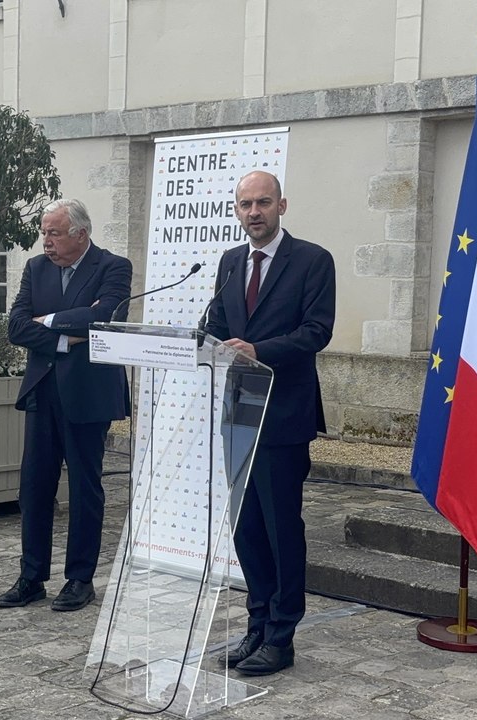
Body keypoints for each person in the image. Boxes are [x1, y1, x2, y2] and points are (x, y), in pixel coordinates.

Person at [205, 171, 335, 675]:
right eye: (244, 204)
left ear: (282, 205)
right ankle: (256, 623)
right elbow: (218, 327)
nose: (253, 212)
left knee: (281, 528)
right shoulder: (230, 262)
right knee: (246, 529)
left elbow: (316, 331)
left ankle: (282, 636)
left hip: (282, 416)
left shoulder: (312, 260)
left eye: (262, 203)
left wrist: (259, 351)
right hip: (237, 414)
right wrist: (200, 342)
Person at [0, 198, 132, 612]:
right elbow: (16, 325)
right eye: (44, 233)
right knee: (34, 486)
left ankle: (79, 579)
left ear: (80, 234)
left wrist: (48, 319)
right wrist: (66, 332)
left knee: (84, 488)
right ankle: (32, 576)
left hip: (89, 393)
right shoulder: (37, 268)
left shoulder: (113, 266)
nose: (46, 242)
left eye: (54, 233)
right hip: (42, 389)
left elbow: (105, 317)